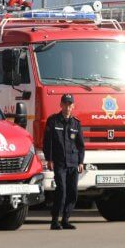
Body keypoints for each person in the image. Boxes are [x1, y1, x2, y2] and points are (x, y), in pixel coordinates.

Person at [43, 94, 85, 230]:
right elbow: (47, 142)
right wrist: (49, 159)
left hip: (73, 163)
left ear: (73, 106)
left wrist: (81, 162)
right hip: (59, 162)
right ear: (60, 105)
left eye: (70, 104)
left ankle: (65, 220)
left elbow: (80, 145)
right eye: (65, 104)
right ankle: (55, 220)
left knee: (73, 192)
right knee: (61, 190)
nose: (67, 107)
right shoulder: (53, 121)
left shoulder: (76, 123)